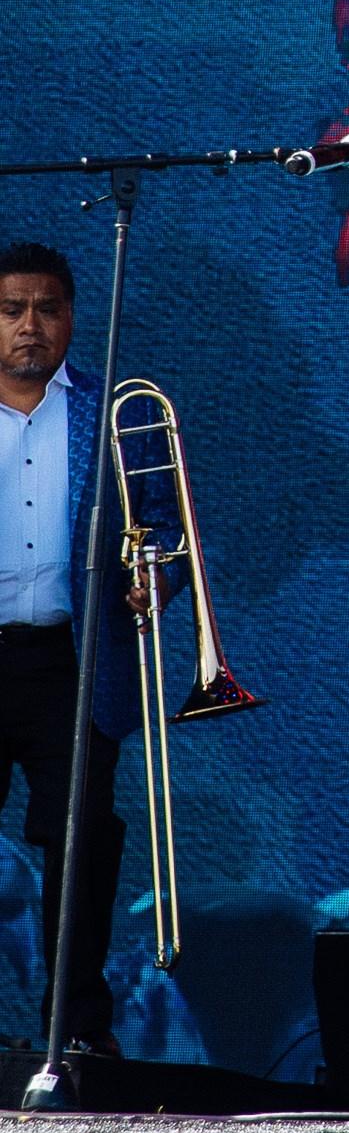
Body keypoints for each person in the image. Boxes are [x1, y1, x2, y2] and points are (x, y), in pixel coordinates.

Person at [0, 243, 166, 1054]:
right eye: (11, 310)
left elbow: (160, 529)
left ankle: (76, 1030)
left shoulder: (116, 413)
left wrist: (154, 578)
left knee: (82, 840)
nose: (30, 325)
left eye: (48, 308)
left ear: (72, 318)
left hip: (73, 658)